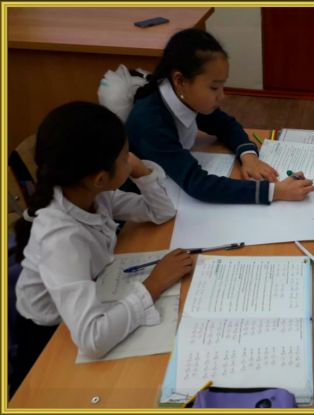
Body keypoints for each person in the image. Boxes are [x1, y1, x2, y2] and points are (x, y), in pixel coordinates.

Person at [12, 102, 193, 392]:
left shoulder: (88, 193)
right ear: (99, 178)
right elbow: (92, 339)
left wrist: (140, 172)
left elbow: (161, 212)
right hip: (50, 337)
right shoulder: (61, 238)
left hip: (86, 298)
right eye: (125, 156)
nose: (131, 159)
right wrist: (153, 285)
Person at [126, 29, 314, 204]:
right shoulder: (151, 122)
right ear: (180, 80)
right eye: (214, 87)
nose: (222, 96)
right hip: (139, 205)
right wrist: (274, 191)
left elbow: (225, 125)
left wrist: (249, 157)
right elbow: (197, 183)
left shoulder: (184, 96)